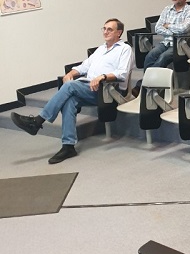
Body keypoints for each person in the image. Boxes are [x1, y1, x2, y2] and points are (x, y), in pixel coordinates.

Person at [11, 19, 133, 164]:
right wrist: (70, 73)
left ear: (119, 32)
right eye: (104, 29)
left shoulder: (125, 49)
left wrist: (103, 76)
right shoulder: (101, 49)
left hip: (110, 90)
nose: (105, 32)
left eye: (110, 29)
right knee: (70, 100)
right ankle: (68, 146)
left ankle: (37, 121)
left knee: (70, 86)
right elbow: (83, 67)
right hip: (91, 88)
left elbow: (122, 73)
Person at [133, 0, 190, 96]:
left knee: (163, 57)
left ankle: (144, 85)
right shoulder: (167, 9)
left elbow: (184, 29)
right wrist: (173, 31)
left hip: (182, 45)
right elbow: (158, 28)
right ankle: (150, 86)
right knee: (150, 55)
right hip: (166, 42)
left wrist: (168, 26)